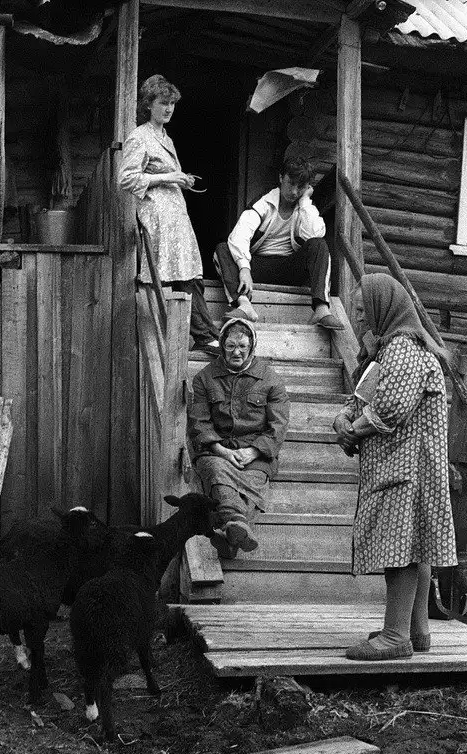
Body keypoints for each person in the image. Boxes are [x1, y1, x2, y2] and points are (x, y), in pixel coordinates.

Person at [333, 274, 457, 661]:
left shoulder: (404, 348)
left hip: (408, 469)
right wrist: (344, 419)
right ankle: (416, 631)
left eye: (362, 309)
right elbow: (364, 399)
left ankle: (395, 636)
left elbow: (389, 409)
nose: (358, 316)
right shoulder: (387, 351)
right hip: (398, 468)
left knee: (400, 552)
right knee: (414, 547)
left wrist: (351, 430)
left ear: (383, 308)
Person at [119, 74, 220, 355]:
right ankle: (191, 336)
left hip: (175, 215)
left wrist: (180, 179)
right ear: (148, 105)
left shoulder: (166, 138)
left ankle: (205, 334)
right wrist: (168, 177)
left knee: (189, 273)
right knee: (169, 276)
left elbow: (162, 174)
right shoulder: (140, 136)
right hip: (158, 217)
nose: (168, 109)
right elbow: (126, 179)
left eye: (172, 103)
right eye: (163, 103)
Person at [188, 318, 290, 558]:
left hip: (256, 453)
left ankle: (229, 531)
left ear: (252, 347)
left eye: (243, 346)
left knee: (253, 481)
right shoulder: (204, 378)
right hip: (218, 450)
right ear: (222, 346)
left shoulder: (270, 380)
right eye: (231, 346)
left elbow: (279, 424)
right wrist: (222, 451)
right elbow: (199, 421)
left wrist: (253, 451)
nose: (237, 352)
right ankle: (237, 527)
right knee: (216, 472)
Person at [213, 156, 343, 330]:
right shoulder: (264, 203)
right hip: (257, 269)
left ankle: (321, 309)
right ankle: (244, 305)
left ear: (307, 187)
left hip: (289, 270)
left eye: (301, 187)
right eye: (291, 183)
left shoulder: (304, 208)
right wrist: (244, 268)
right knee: (223, 248)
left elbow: (314, 235)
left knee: (319, 244)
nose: (294, 192)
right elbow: (239, 235)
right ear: (281, 178)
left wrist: (305, 201)